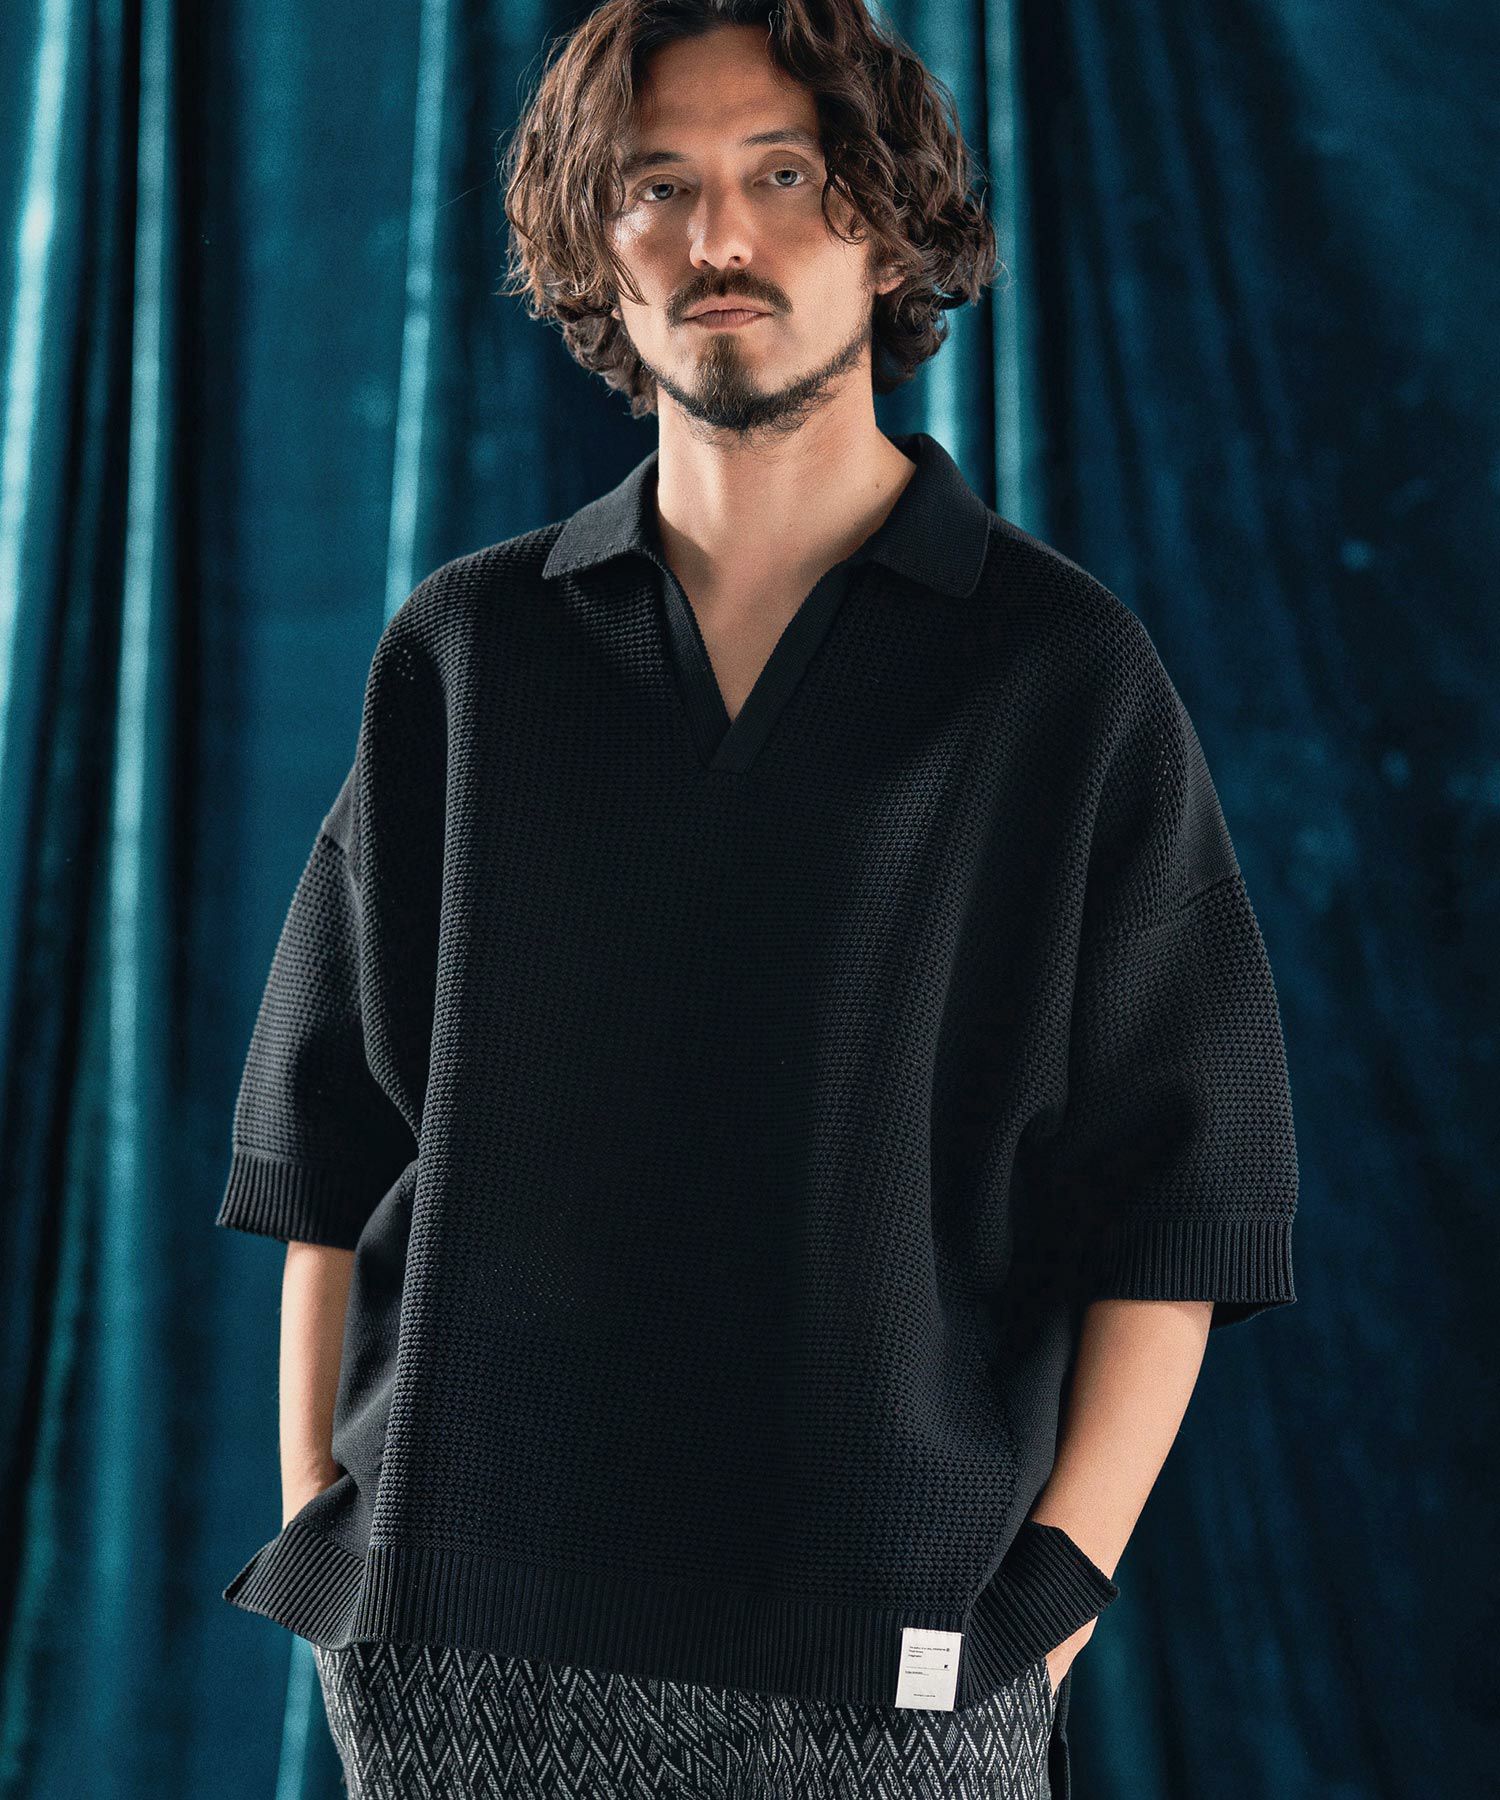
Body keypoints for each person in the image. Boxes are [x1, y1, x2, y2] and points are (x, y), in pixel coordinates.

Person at [218, 2, 1298, 1796]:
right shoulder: (471, 654)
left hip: (894, 1663)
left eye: (784, 175)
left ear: (887, 229)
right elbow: (326, 1143)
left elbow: (1185, 1191)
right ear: (600, 250)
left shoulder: (1058, 675)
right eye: (658, 186)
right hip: (459, 1666)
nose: (719, 235)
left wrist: (1051, 1597)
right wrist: (334, 1532)